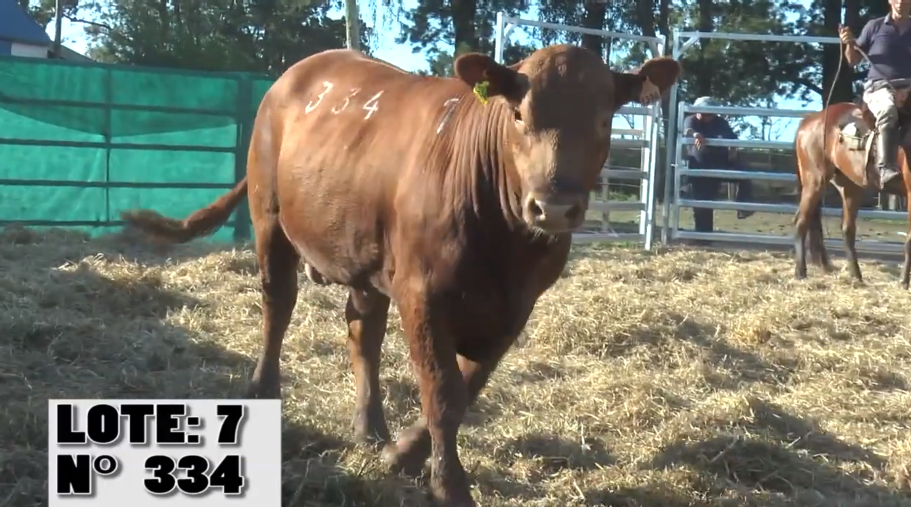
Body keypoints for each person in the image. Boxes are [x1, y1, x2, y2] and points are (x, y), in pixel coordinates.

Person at [839, 0, 911, 189]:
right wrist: (849, 43)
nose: (901, 3)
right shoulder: (875, 26)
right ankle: (886, 167)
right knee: (887, 110)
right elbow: (853, 60)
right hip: (880, 87)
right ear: (890, 1)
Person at [682, 96, 754, 235]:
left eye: (708, 113)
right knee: (703, 199)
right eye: (702, 113)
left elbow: (732, 138)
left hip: (720, 162)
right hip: (700, 165)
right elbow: (687, 130)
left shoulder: (720, 122)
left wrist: (732, 150)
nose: (704, 116)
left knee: (745, 174)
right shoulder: (692, 120)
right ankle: (703, 234)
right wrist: (696, 134)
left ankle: (744, 206)